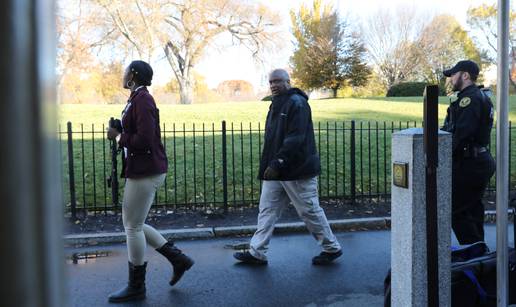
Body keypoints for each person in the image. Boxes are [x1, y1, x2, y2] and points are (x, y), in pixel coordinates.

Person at [233, 69, 342, 265]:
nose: (273, 85)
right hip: (277, 171)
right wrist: (271, 164)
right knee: (267, 209)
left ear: (288, 82)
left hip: (297, 170)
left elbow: (296, 138)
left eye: (277, 81)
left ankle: (331, 248)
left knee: (309, 210)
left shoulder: (297, 104)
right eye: (271, 82)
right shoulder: (277, 103)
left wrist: (277, 162)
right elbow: (274, 139)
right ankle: (257, 252)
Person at [106, 60, 194, 303]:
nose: (122, 74)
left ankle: (137, 287)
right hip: (142, 169)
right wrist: (120, 128)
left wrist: (119, 136)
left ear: (133, 75)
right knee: (135, 223)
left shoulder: (143, 100)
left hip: (146, 171)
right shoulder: (135, 99)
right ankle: (179, 260)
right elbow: (137, 132)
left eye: (125, 71)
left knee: (132, 227)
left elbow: (144, 139)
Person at [441, 60, 496, 245]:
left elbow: (462, 134)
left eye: (453, 75)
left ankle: (474, 252)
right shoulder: (474, 96)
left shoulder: (470, 99)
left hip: (470, 163)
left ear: (465, 76)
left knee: (454, 209)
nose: (450, 79)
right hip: (476, 161)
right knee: (471, 210)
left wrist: (441, 156)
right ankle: (478, 255)